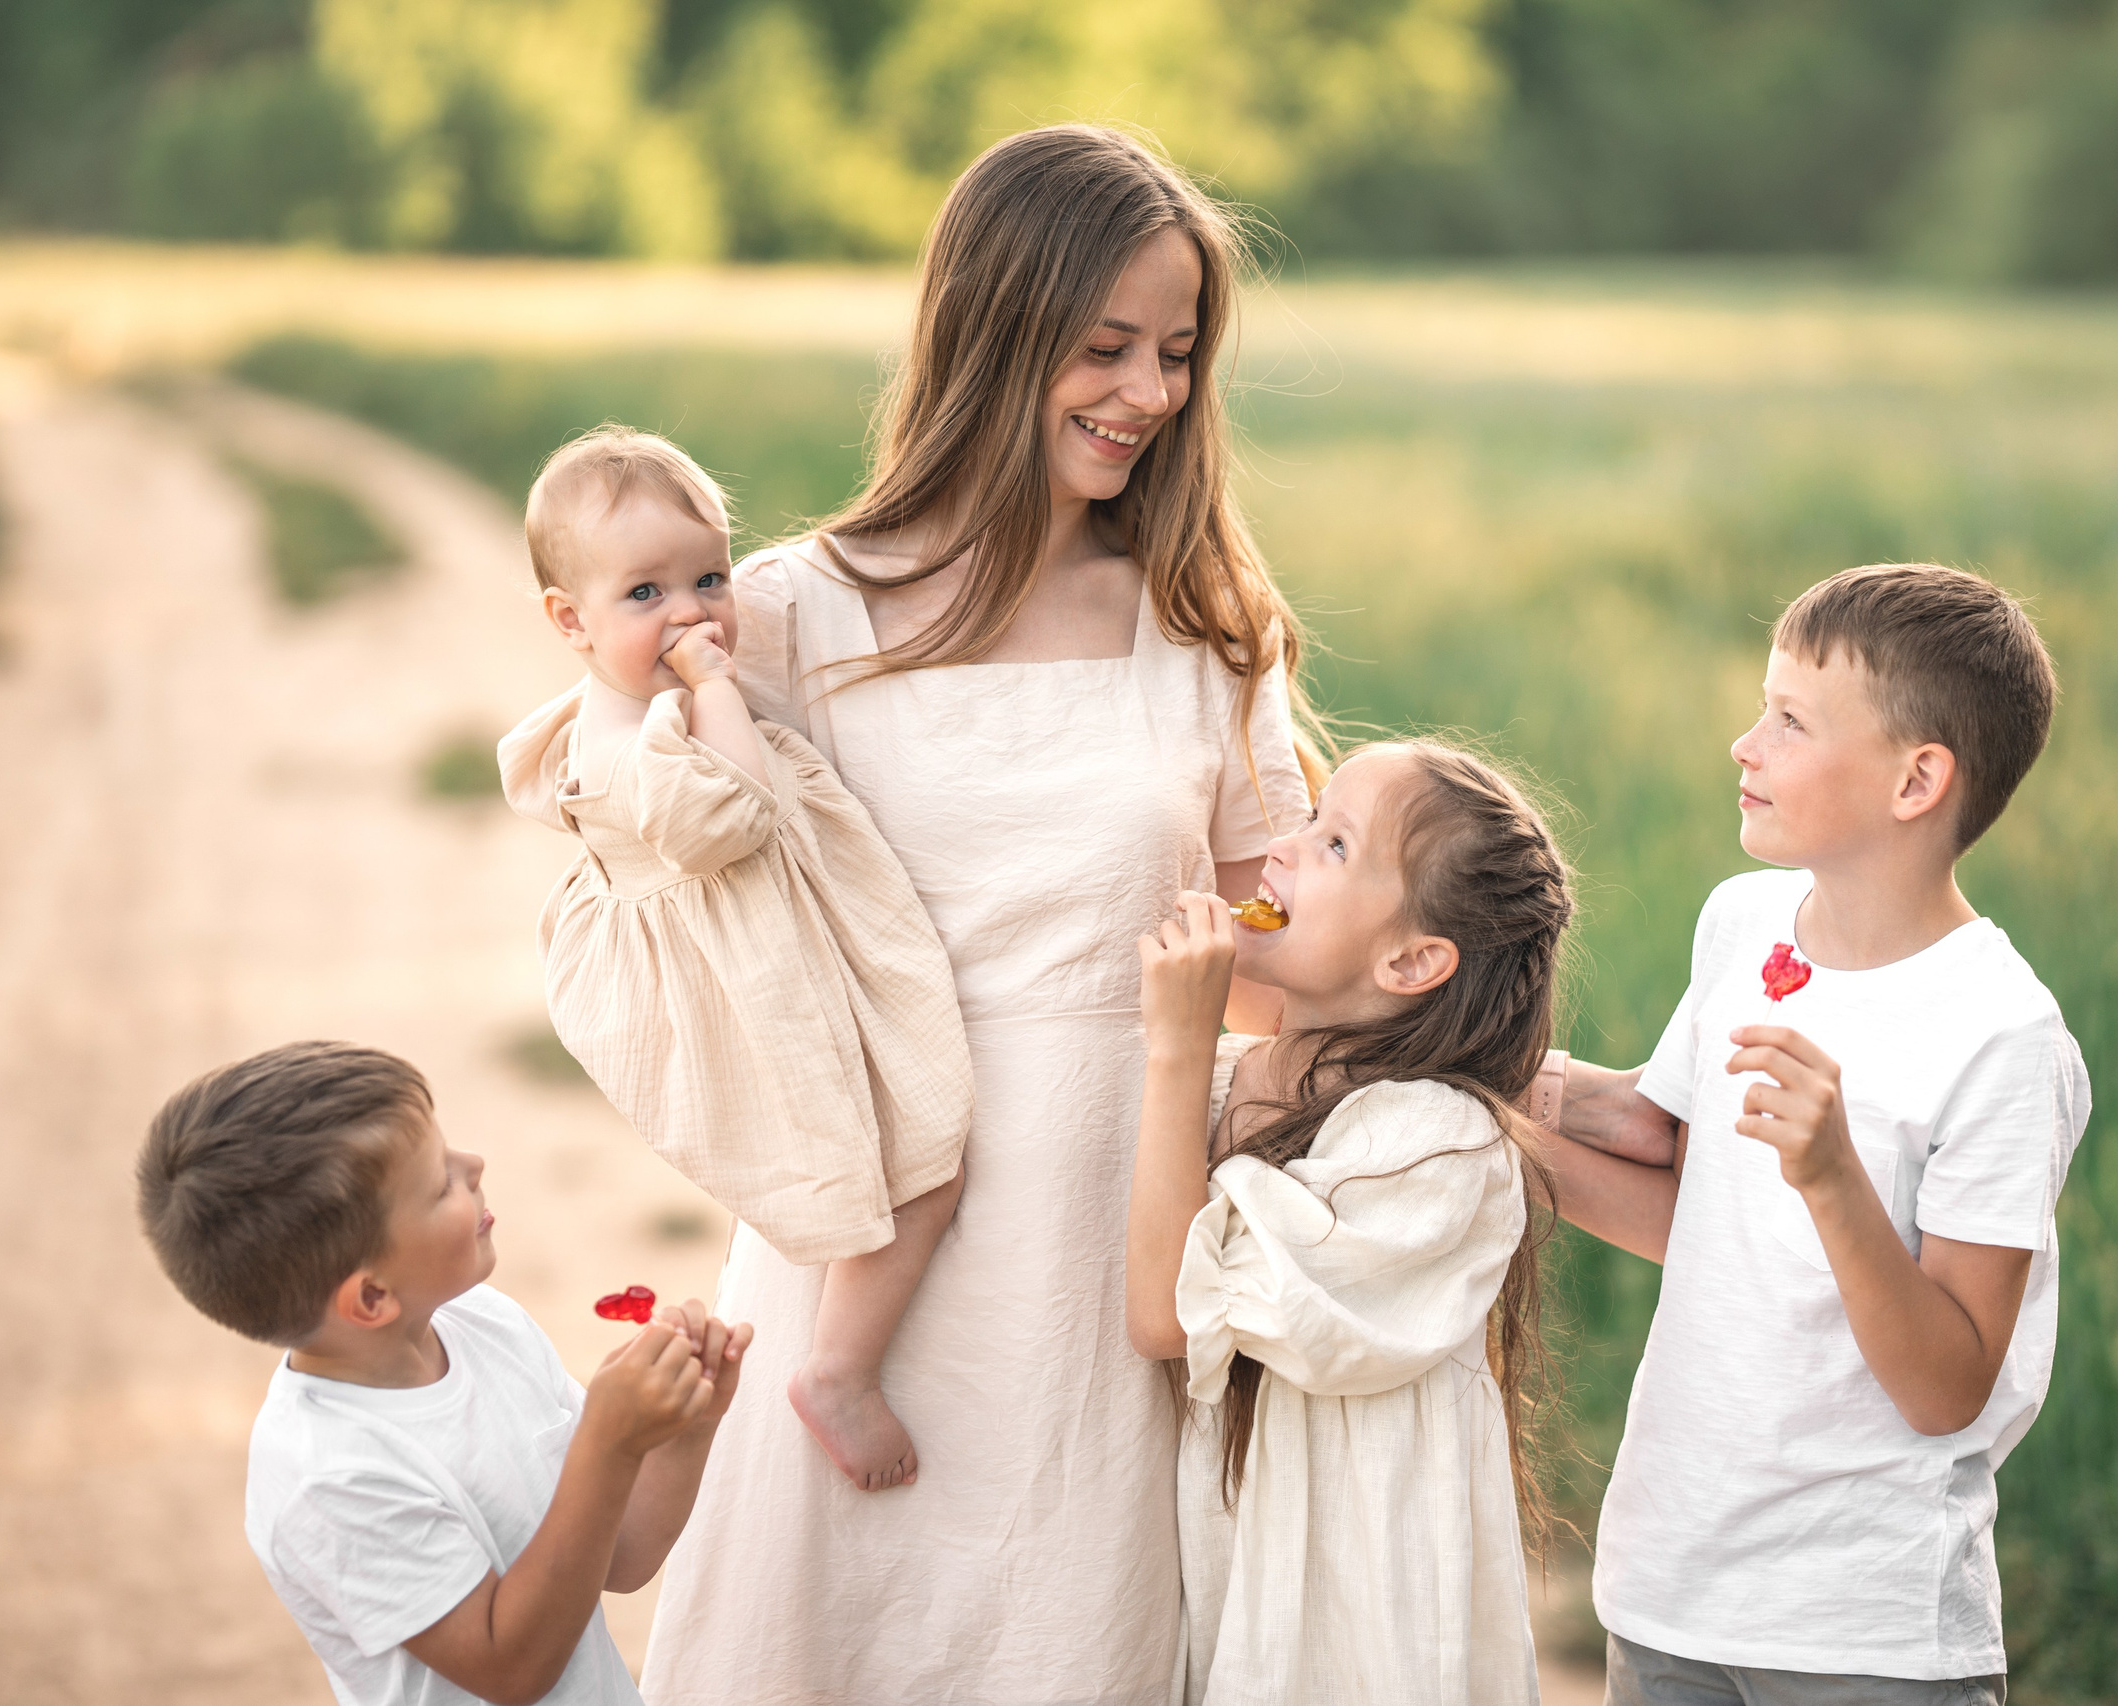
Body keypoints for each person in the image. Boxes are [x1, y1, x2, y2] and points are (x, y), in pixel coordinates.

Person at [637, 125, 1319, 1705]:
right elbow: (698, 899)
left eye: (1176, 351)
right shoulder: (799, 609)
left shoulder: (1205, 629)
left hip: (1105, 1235)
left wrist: (1460, 1012)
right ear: (991, 331)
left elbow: (1278, 932)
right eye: (1104, 347)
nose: (1149, 391)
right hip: (866, 1231)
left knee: (1066, 1640)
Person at [1548, 565, 2091, 1702]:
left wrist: (1832, 1174)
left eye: (1789, 721)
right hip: (1669, 1583)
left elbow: (1945, 1386)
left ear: (1916, 779)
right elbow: (1674, 1163)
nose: (1743, 745)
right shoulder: (1744, 921)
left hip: (1862, 1629)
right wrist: (1463, 1086)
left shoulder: (1999, 1035)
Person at [498, 426, 971, 1493]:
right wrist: (716, 688)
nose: (691, 613)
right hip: (760, 983)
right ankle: (840, 1369)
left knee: (905, 1147)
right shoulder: (633, 745)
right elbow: (737, 815)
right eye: (645, 593)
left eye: (709, 576)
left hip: (778, 948)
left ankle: (842, 1351)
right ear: (569, 620)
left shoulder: (628, 702)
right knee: (916, 1163)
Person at [1129, 742, 1567, 1705]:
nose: (1279, 849)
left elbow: (1165, 1316)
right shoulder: (1227, 1082)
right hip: (1242, 1594)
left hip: (1366, 1633)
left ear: (1413, 959)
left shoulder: (1435, 1147)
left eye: (1331, 844)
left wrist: (1177, 1043)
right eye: (1307, 817)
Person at [133, 1041, 752, 1706]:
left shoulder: (485, 1324)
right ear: (371, 1298)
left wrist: (687, 1426)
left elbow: (622, 1557)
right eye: (438, 1185)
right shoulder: (331, 1479)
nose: (474, 1164)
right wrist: (610, 1442)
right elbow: (510, 1670)